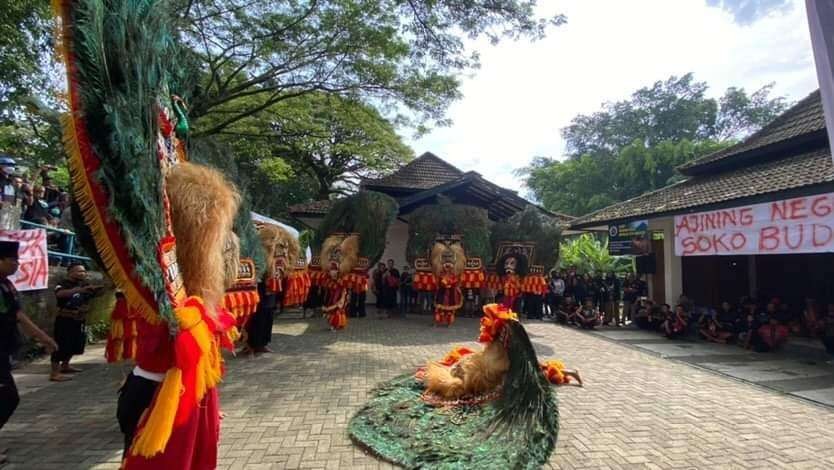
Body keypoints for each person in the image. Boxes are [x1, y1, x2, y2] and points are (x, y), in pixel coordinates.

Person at [0, 241, 59, 465]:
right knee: (8, 397)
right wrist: (44, 338)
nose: (17, 264)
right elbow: (17, 316)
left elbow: (17, 313)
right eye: (13, 260)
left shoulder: (6, 284)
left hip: (4, 347)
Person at [50, 263, 102, 381]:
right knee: (61, 344)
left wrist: (97, 289)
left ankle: (66, 365)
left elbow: (93, 294)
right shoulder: (63, 283)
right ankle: (54, 373)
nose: (83, 273)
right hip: (65, 319)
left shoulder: (84, 284)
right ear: (70, 272)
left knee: (75, 343)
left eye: (84, 271)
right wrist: (79, 290)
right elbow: (60, 294)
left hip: (79, 319)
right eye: (79, 271)